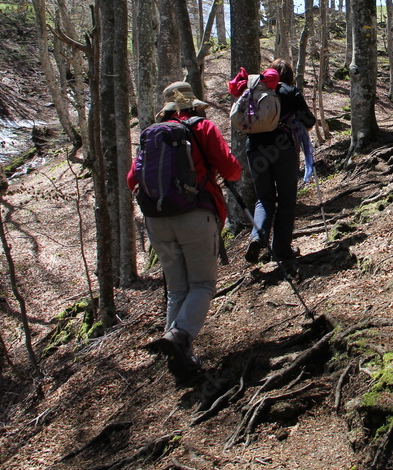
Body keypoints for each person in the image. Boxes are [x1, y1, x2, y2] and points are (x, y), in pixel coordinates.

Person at [127, 81, 242, 384]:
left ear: (166, 108)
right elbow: (232, 170)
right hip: (196, 216)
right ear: (192, 104)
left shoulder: (152, 134)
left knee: (177, 289)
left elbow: (131, 180)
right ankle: (180, 336)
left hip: (157, 220)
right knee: (202, 284)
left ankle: (179, 357)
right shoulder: (202, 127)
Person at [238, 59, 316, 263]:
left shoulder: (255, 90)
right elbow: (309, 121)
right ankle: (281, 250)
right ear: (289, 76)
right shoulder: (291, 92)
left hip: (254, 149)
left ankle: (257, 237)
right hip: (283, 149)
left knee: (264, 198)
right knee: (286, 199)